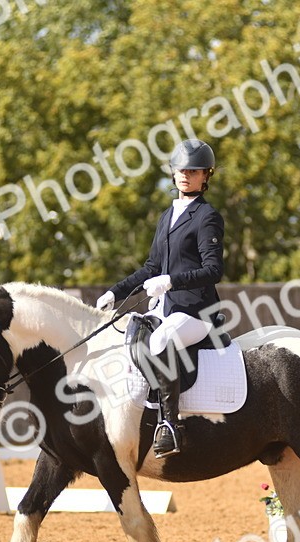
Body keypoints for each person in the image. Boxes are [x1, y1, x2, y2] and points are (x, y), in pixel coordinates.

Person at [95, 138, 225, 458]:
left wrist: (171, 281)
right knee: (130, 336)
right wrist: (116, 291)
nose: (186, 175)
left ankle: (171, 425)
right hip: (165, 307)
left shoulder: (207, 216)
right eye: (181, 170)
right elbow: (152, 267)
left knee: (162, 339)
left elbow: (213, 270)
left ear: (206, 176)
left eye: (194, 171)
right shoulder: (167, 215)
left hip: (196, 311)